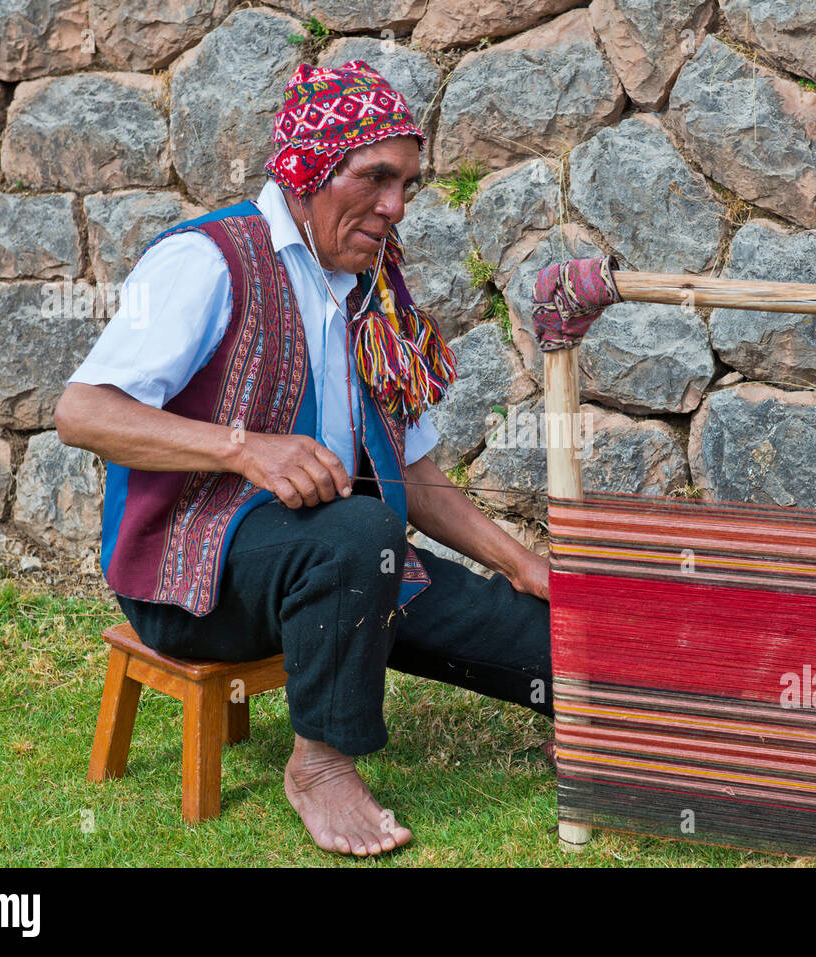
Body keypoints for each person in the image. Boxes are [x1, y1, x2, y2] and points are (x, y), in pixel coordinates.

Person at [54, 61, 553, 858]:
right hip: (194, 578)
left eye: (408, 185)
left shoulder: (368, 290)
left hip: (349, 563)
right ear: (309, 169)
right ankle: (321, 761)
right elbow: (83, 412)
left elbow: (416, 478)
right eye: (375, 177)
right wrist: (243, 449)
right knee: (357, 532)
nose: (393, 206)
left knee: (550, 643)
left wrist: (524, 564)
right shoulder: (208, 261)